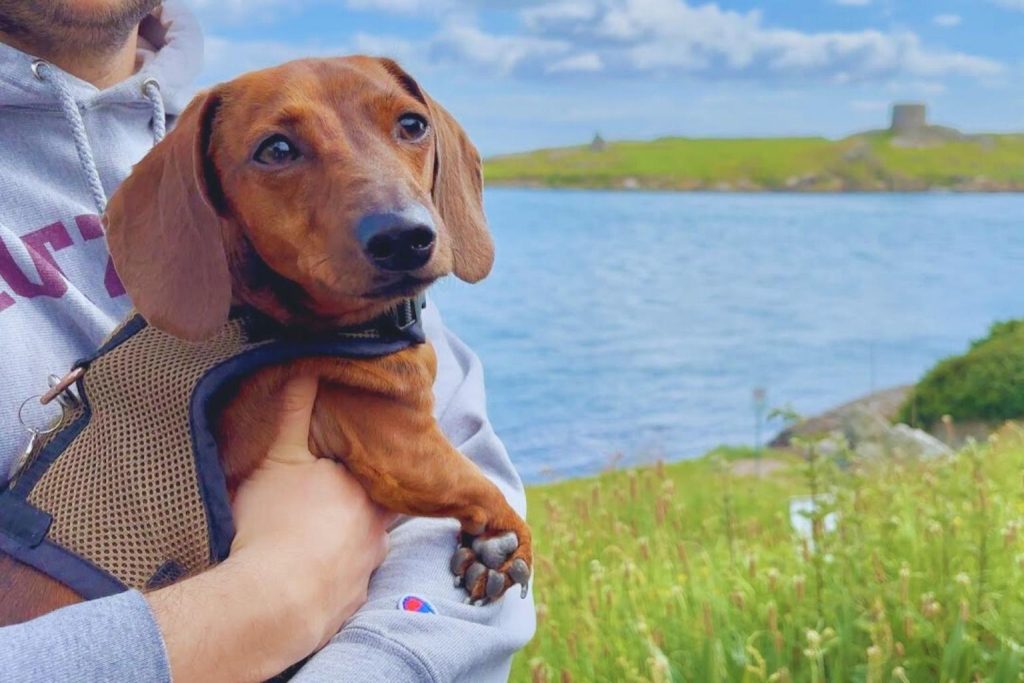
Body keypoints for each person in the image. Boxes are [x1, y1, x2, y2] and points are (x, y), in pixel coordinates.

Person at [0, 1, 535, 681]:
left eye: (407, 127)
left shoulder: (338, 285)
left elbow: (462, 491)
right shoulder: (212, 160)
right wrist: (256, 605)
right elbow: (446, 484)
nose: (400, 216)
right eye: (280, 151)